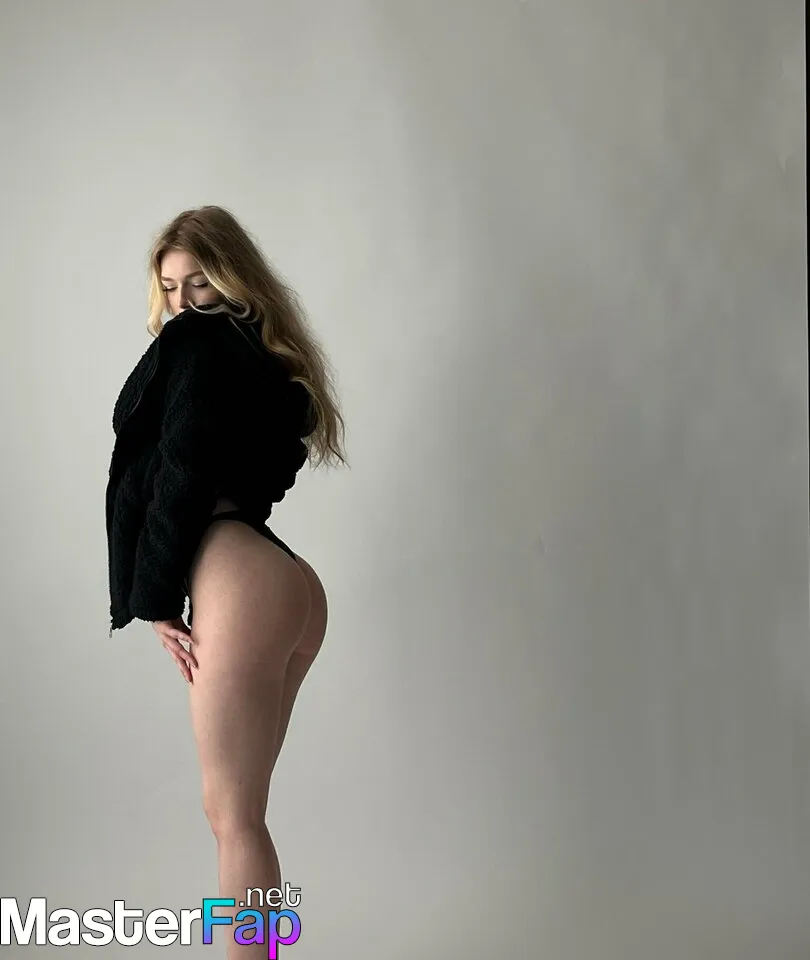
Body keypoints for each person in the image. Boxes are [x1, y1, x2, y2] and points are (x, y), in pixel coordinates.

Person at [105, 204, 347, 957]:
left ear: (231, 278)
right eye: (169, 287)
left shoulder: (198, 345)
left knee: (233, 820)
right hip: (285, 581)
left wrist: (152, 598)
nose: (182, 302)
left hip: (236, 577)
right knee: (245, 818)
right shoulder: (261, 355)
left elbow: (179, 473)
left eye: (199, 282)